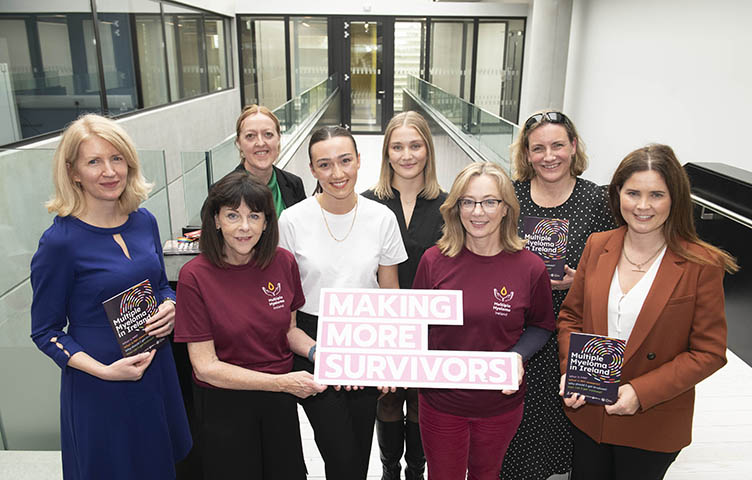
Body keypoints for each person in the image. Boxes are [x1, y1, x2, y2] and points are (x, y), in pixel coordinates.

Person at [557, 144, 738, 480]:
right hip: (590, 415)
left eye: (656, 194)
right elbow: (571, 317)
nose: (642, 206)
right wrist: (572, 368)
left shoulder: (702, 264)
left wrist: (641, 393)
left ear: (675, 199)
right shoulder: (598, 245)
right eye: (633, 193)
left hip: (653, 420)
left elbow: (709, 352)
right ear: (618, 195)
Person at [30, 114, 191, 479]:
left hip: (156, 370)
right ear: (72, 171)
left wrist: (171, 305)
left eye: (116, 158)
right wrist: (105, 371)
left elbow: (160, 285)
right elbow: (46, 331)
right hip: (100, 384)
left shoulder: (144, 220)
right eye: (94, 161)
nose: (109, 171)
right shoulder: (59, 243)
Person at [173, 171, 325, 479]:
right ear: (215, 220)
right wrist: (283, 383)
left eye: (254, 216)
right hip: (224, 404)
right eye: (232, 216)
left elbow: (288, 330)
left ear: (267, 221)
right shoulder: (195, 276)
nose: (244, 227)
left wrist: (317, 352)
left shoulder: (282, 262)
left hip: (278, 405)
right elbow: (205, 367)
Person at [278, 126, 408, 480]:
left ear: (359, 161)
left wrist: (389, 356)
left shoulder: (382, 218)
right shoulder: (291, 221)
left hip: (365, 335)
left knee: (359, 445)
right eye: (325, 164)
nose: (337, 173)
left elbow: (390, 291)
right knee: (339, 452)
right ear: (312, 170)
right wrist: (318, 351)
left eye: (345, 161)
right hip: (312, 339)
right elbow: (286, 309)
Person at [412, 161, 555, 479]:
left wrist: (518, 355)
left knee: (486, 474)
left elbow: (542, 325)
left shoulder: (530, 267)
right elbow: (414, 325)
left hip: (499, 405)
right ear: (456, 208)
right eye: (468, 201)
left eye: (490, 201)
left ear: (506, 209)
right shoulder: (434, 261)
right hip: (442, 402)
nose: (478, 212)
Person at [502, 110, 615, 479]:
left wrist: (579, 279)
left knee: (564, 416)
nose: (548, 156)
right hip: (518, 329)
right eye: (538, 148)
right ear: (526, 154)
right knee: (515, 416)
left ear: (573, 147)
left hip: (574, 330)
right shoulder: (510, 197)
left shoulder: (599, 201)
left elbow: (619, 263)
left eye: (557, 145)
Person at [362, 111, 447, 480]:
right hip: (383, 321)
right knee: (389, 395)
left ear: (428, 150)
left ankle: (416, 471)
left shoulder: (450, 205)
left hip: (433, 323)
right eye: (397, 146)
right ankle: (388, 471)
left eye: (415, 145)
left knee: (421, 399)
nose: (407, 155)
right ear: (386, 153)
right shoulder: (365, 204)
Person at [233, 104, 306, 216]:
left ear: (278, 139)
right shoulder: (221, 192)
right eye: (250, 136)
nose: (261, 143)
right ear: (239, 143)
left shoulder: (294, 184)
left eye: (268, 134)